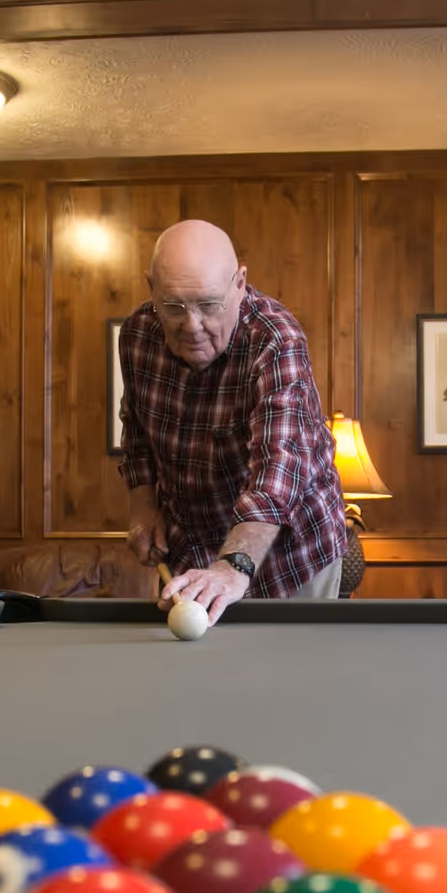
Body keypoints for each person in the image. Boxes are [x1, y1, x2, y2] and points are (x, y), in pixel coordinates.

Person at [118, 219, 347, 623]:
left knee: (292, 679)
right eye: (173, 306)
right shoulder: (137, 335)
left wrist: (234, 566)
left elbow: (280, 464)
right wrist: (143, 508)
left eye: (209, 305)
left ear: (240, 284)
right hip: (193, 543)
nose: (191, 325)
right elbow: (137, 430)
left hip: (292, 553)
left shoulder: (276, 339)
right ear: (150, 286)